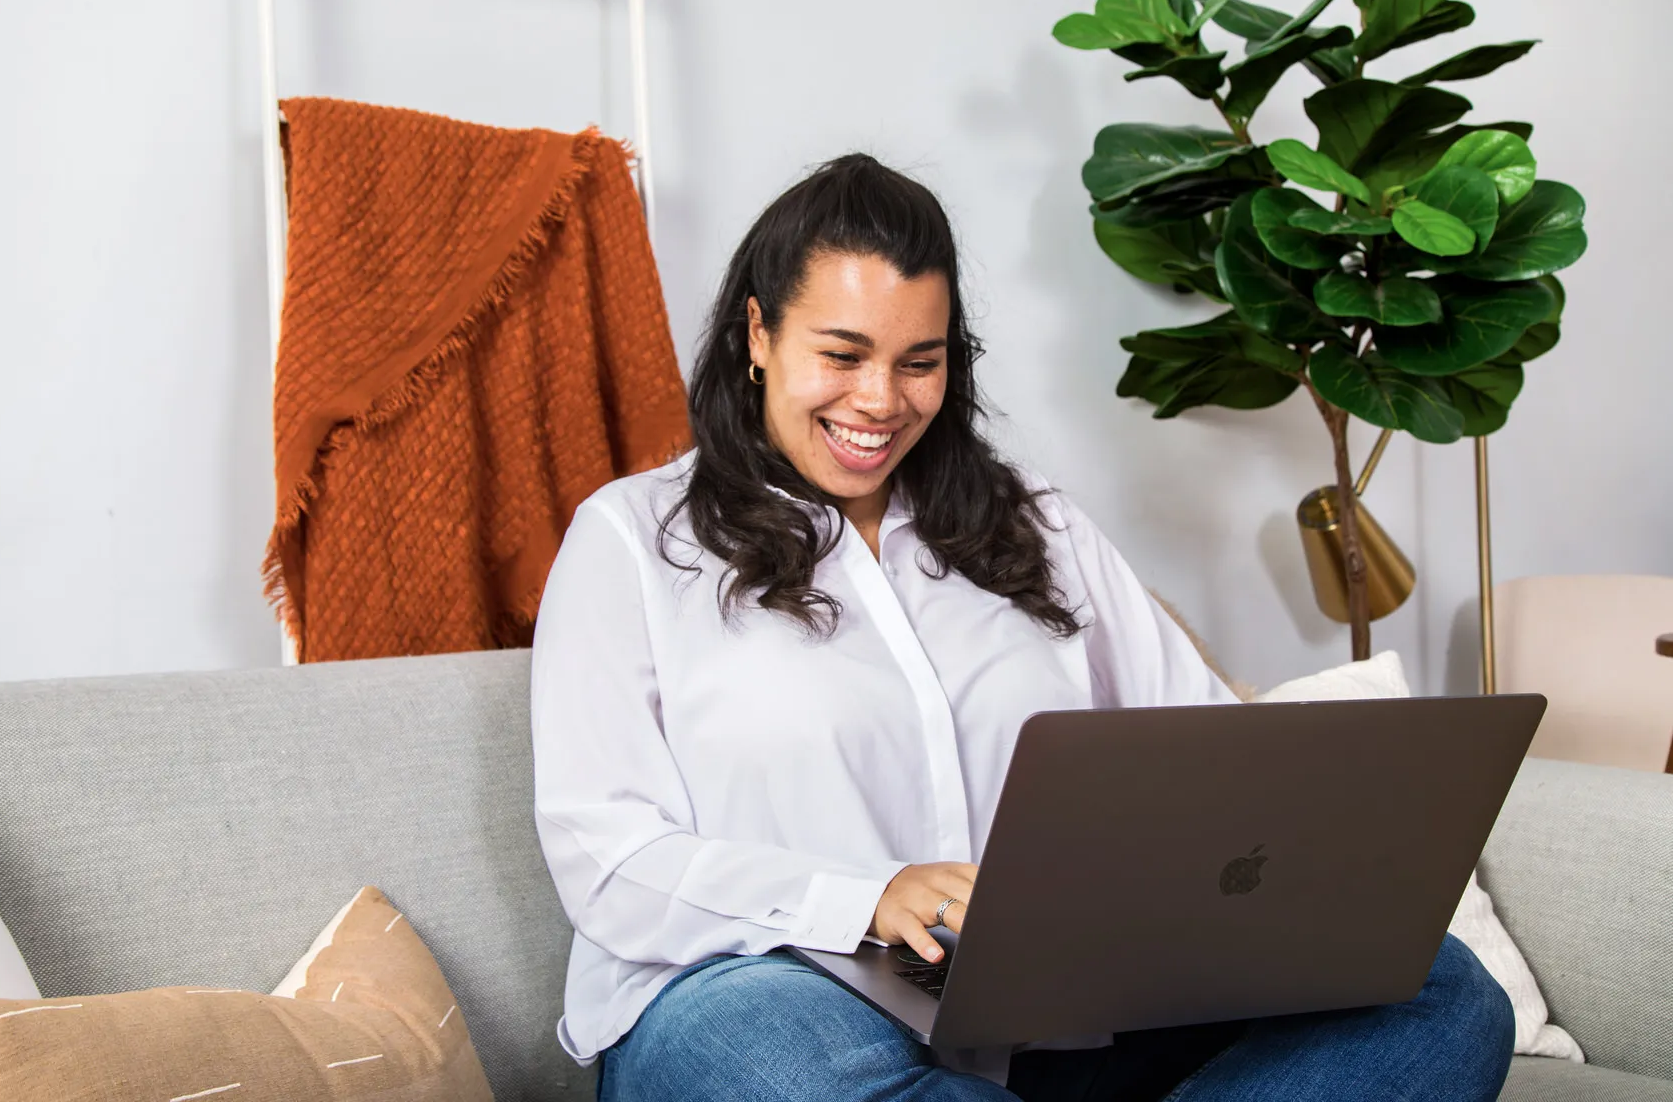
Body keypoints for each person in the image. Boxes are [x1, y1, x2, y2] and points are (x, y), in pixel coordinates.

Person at [529, 154, 1514, 1101]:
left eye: (921, 362)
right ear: (757, 333)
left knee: (1444, 991)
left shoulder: (1032, 523)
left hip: (1052, 1025)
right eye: (842, 354)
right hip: (774, 1001)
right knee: (764, 1052)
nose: (880, 402)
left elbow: (1211, 748)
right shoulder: (633, 541)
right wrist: (863, 899)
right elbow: (605, 855)